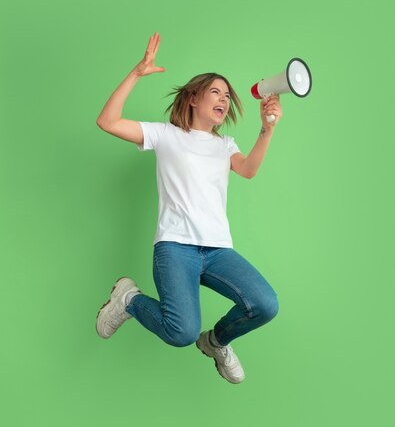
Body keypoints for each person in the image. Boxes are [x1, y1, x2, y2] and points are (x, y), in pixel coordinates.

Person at [95, 32, 282, 384]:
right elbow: (107, 121)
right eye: (216, 92)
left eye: (227, 96)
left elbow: (248, 170)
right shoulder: (166, 135)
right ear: (193, 98)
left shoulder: (225, 144)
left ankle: (215, 342)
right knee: (180, 332)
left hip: (217, 251)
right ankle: (129, 299)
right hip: (175, 248)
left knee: (265, 304)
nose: (224, 99)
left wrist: (267, 128)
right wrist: (136, 73)